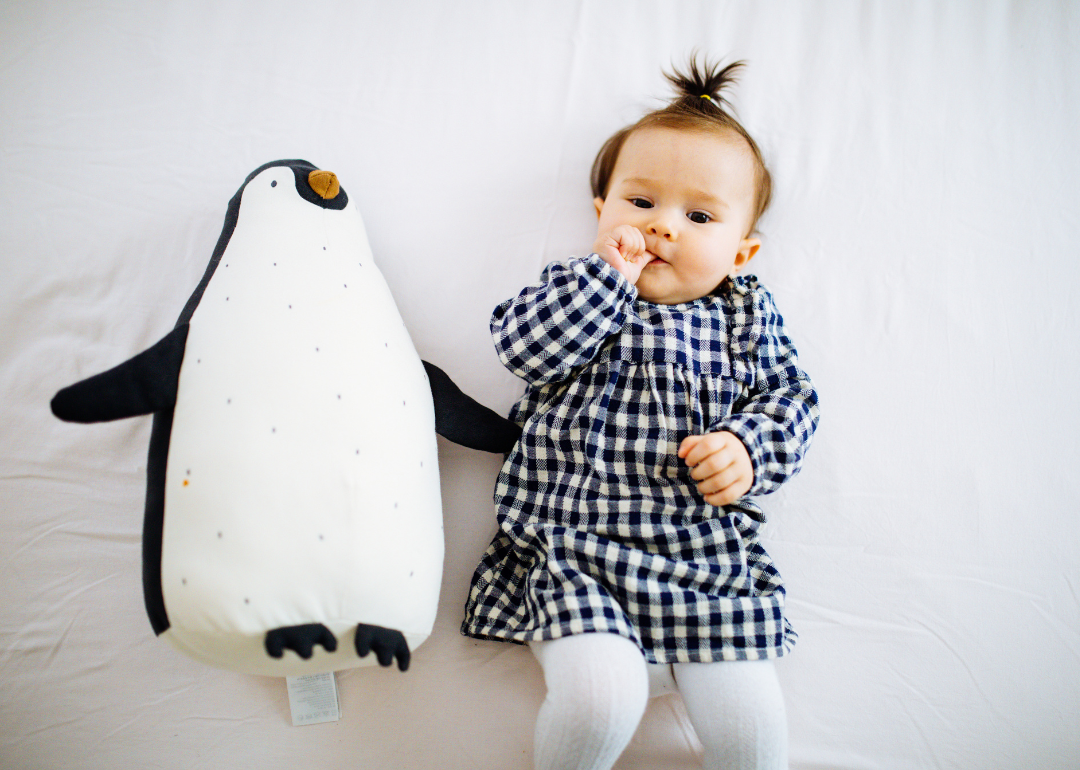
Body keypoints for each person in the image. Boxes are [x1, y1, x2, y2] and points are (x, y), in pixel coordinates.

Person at [461, 56, 819, 770]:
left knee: (751, 725)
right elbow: (524, 349)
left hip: (704, 560)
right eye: (640, 202)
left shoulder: (745, 317)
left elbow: (794, 400)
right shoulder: (577, 287)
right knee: (599, 702)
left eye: (698, 216)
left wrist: (748, 448)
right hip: (577, 551)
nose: (662, 229)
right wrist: (607, 275)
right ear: (602, 212)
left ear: (740, 251)